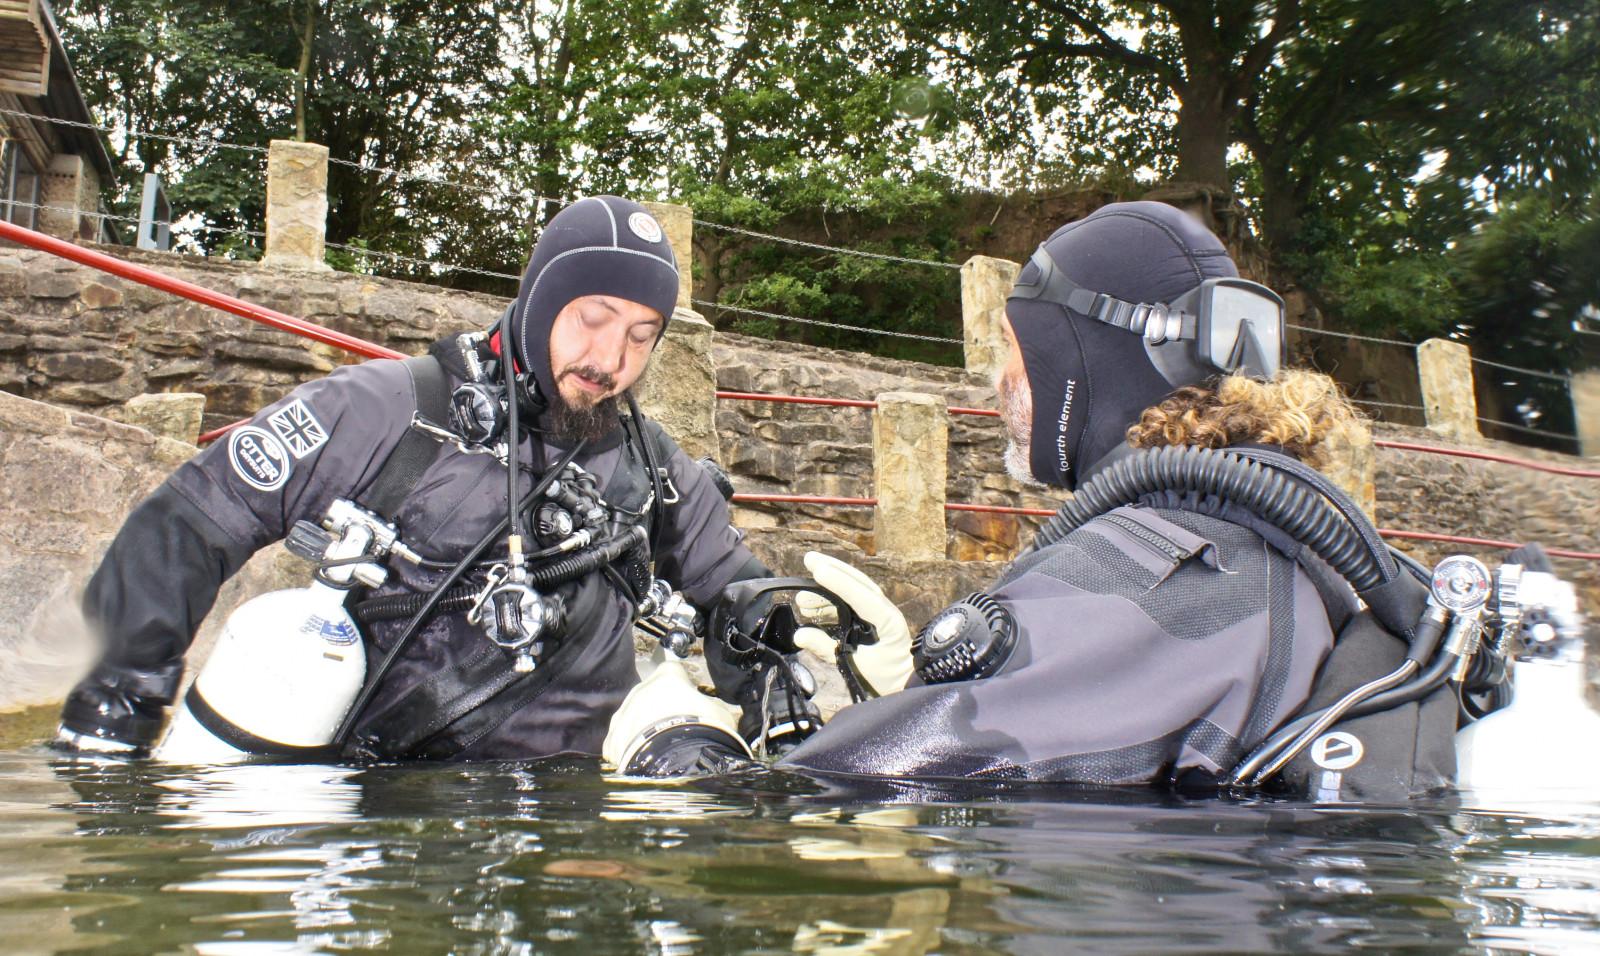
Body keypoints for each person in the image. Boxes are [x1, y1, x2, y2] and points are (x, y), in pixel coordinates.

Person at [605, 200, 1455, 795]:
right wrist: (897, 693)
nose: (998, 377)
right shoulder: (1279, 540)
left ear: (1081, 363)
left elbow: (858, 794)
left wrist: (680, 748)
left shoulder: (1148, 575)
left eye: (1015, 348)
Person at [56, 196, 771, 762]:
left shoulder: (652, 467)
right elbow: (187, 524)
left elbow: (740, 592)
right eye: (593, 318)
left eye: (641, 336)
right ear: (545, 299)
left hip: (578, 830)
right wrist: (115, 713)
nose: (610, 358)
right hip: (388, 812)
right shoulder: (388, 410)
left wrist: (791, 673)